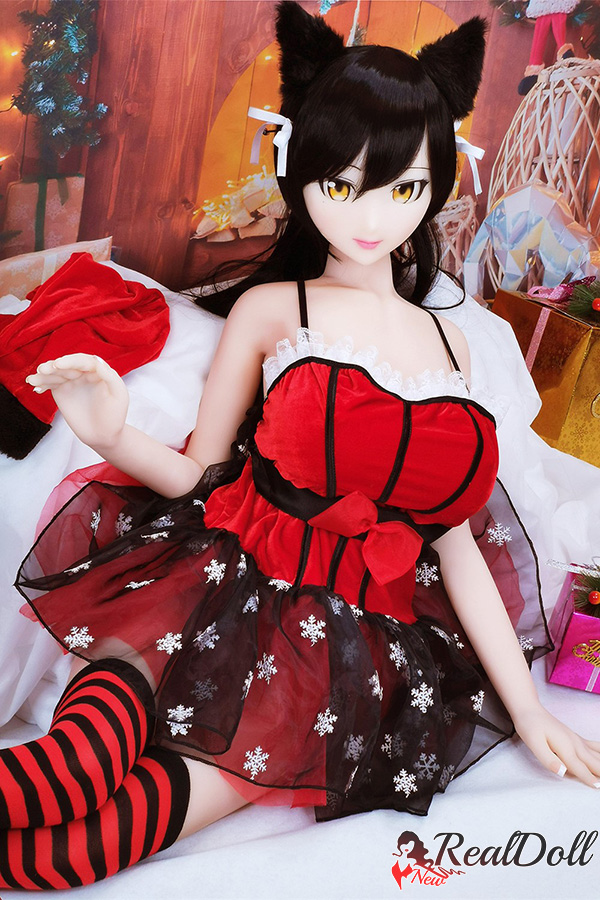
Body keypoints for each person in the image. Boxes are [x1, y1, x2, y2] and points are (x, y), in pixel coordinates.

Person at [2, 1, 599, 890]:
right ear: (303, 173)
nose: (372, 215)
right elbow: (202, 473)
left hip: (341, 652)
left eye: (404, 188)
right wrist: (109, 432)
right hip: (211, 580)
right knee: (69, 771)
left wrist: (530, 710)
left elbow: (456, 547)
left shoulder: (459, 345)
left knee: (69, 856)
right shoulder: (275, 309)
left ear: (436, 185)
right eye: (343, 184)